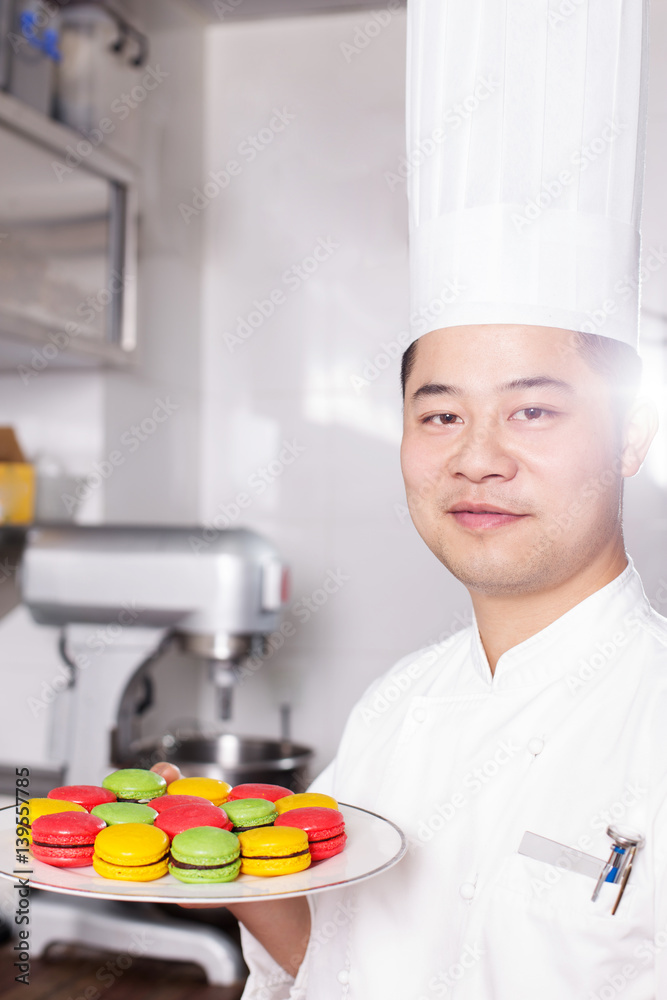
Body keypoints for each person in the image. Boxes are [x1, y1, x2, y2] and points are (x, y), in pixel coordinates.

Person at [155, 0, 664, 995]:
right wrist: (234, 871)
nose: (475, 459)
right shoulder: (394, 713)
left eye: (531, 412)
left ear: (632, 435)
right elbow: (344, 971)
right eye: (439, 416)